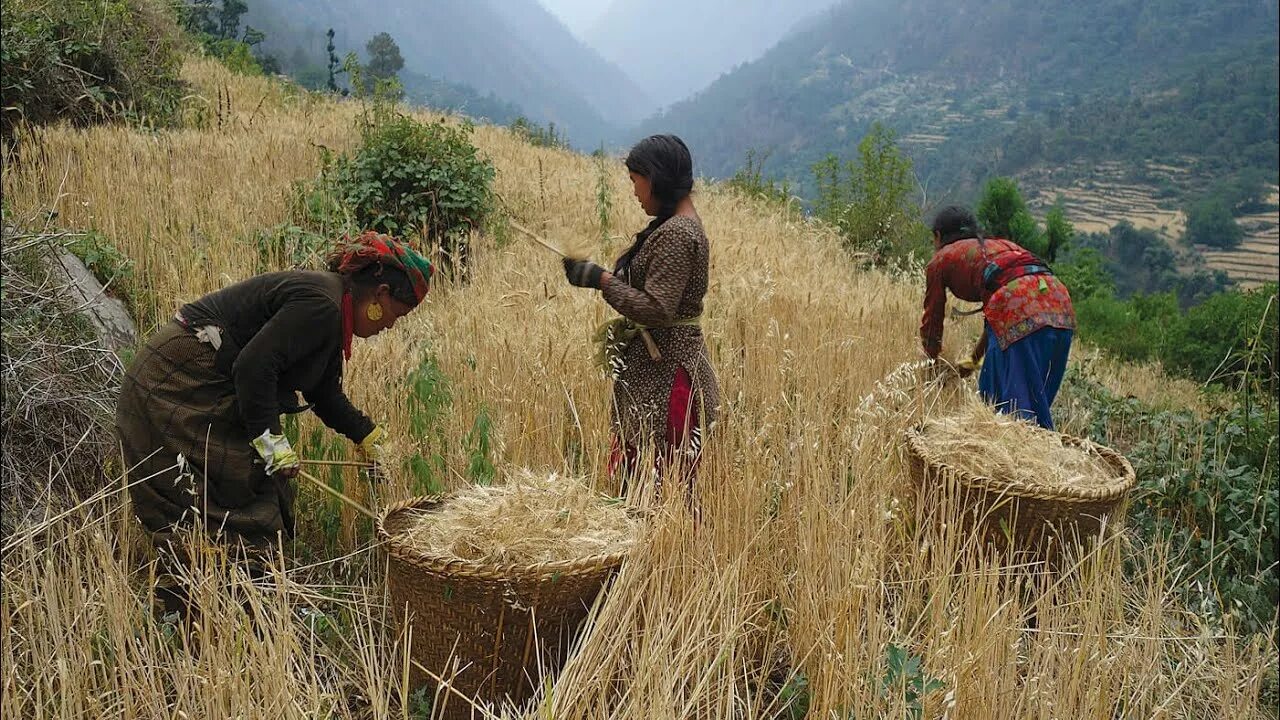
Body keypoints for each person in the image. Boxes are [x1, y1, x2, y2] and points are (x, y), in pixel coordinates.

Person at [116, 231, 432, 611]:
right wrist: (271, 444)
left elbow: (323, 393)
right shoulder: (322, 306)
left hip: (207, 379)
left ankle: (231, 604)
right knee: (221, 490)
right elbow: (253, 368)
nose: (391, 326)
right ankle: (197, 607)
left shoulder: (333, 309)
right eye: (398, 314)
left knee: (251, 493)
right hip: (178, 380)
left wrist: (368, 436)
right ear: (380, 295)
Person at [561, 134, 720, 499]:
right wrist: (603, 277)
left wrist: (601, 280)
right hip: (659, 370)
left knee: (663, 482)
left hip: (667, 375)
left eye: (635, 181)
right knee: (655, 482)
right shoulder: (675, 228)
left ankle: (664, 554)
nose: (634, 191)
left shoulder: (678, 233)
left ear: (656, 177)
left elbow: (657, 309)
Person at [920, 206, 1075, 429]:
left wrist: (930, 365)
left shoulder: (941, 259)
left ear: (937, 236)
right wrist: (973, 361)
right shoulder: (1001, 246)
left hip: (1017, 308)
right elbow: (996, 319)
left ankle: (1013, 457)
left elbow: (932, 319)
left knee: (1003, 405)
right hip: (1059, 302)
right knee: (1035, 402)